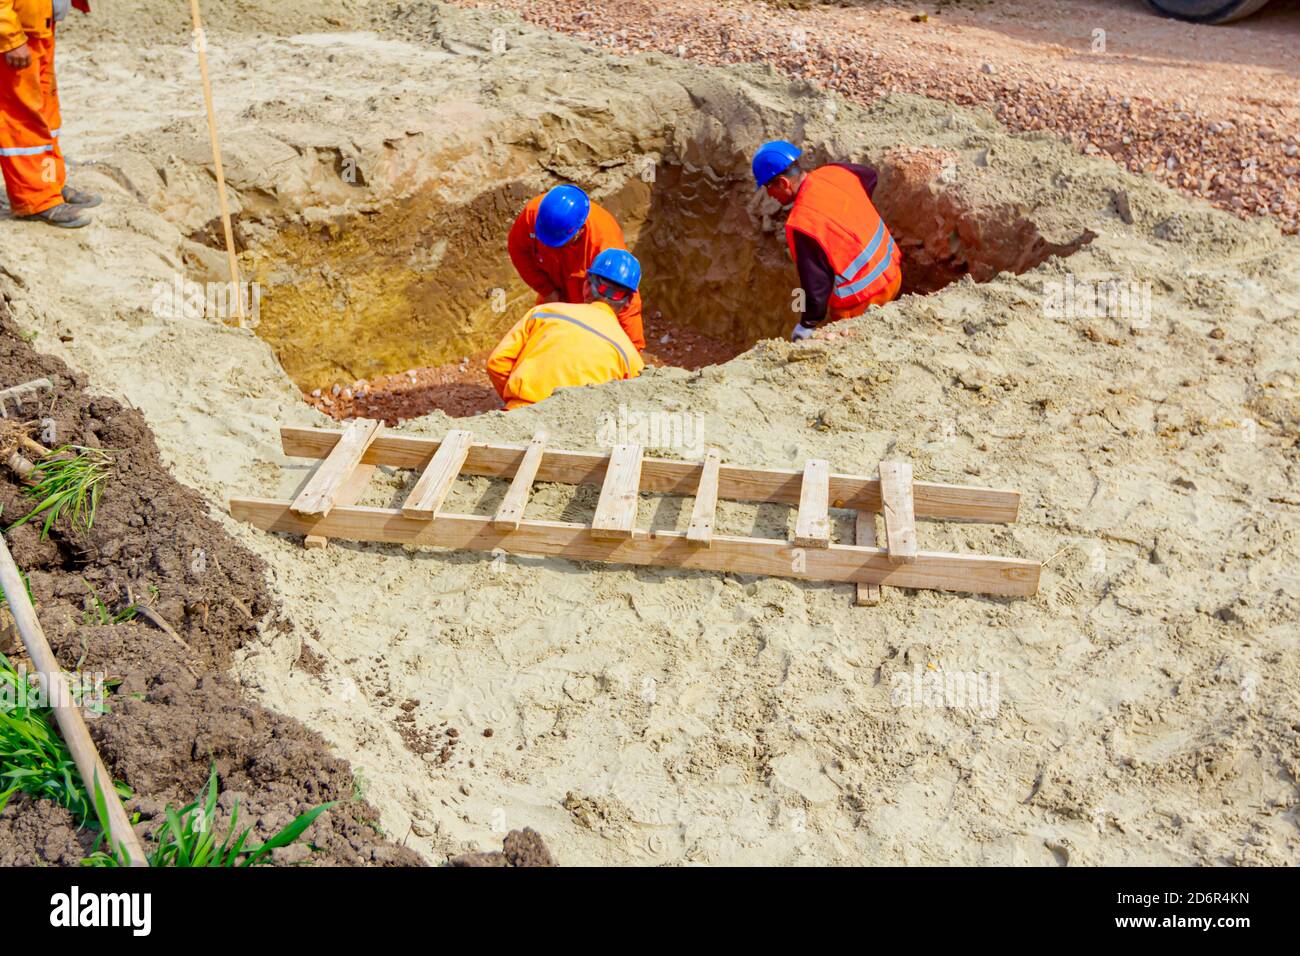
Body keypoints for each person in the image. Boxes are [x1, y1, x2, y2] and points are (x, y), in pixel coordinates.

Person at [752, 139, 902, 341]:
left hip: (862, 301)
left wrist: (806, 325)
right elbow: (870, 176)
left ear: (783, 183)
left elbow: (816, 284)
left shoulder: (804, 223)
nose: (769, 195)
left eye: (769, 187)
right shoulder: (836, 172)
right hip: (893, 272)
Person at [487, 248, 645, 410]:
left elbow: (497, 362)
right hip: (575, 429)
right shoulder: (628, 355)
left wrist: (518, 398)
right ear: (629, 301)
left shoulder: (543, 313)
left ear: (586, 286)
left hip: (520, 412)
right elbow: (637, 401)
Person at [507, 184, 646, 350]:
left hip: (590, 304)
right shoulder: (534, 215)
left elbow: (624, 301)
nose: (552, 248)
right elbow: (519, 251)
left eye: (560, 242)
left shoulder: (603, 244)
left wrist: (631, 351)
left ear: (580, 231)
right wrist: (547, 290)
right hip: (556, 292)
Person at [0, 0, 99, 228]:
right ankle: (36, 199)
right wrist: (10, 38)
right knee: (23, 118)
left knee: (47, 114)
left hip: (39, 26)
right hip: (17, 34)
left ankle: (50, 184)